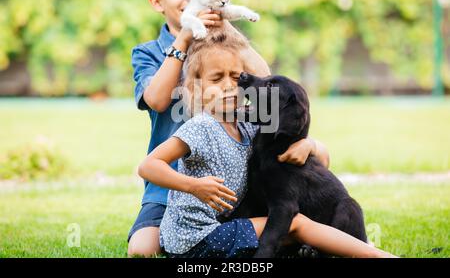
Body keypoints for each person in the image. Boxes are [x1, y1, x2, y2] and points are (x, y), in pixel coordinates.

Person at [128, 0, 330, 257]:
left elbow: (265, 82)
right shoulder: (148, 52)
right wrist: (185, 37)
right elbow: (157, 100)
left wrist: (227, 27)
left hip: (238, 184)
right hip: (170, 184)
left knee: (309, 170)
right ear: (156, 1)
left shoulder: (224, 43)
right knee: (142, 250)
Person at [137, 39, 396, 258]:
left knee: (285, 224)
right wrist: (194, 186)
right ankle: (375, 254)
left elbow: (299, 134)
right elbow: (148, 166)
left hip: (220, 226)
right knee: (295, 223)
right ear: (196, 88)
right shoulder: (200, 127)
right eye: (217, 78)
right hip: (194, 237)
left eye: (235, 77)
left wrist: (308, 143)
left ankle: (353, 248)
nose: (229, 85)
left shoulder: (247, 124)